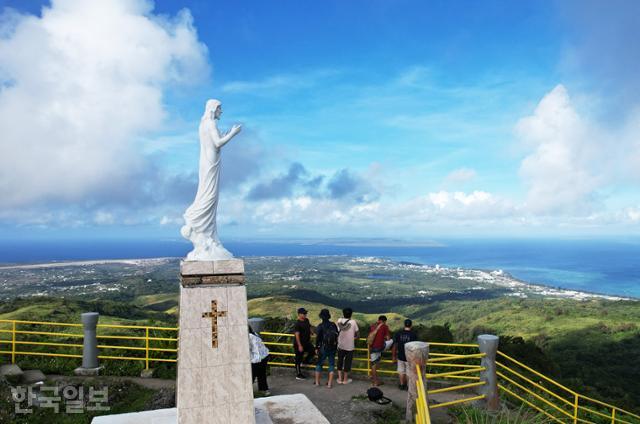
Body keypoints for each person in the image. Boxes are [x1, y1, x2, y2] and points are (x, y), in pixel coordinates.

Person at [314, 309, 339, 388]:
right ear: (328, 316)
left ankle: (317, 382)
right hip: (332, 347)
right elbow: (337, 335)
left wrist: (316, 347)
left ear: (321, 317)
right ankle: (329, 384)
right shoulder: (333, 325)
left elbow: (318, 338)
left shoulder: (320, 326)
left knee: (319, 364)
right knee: (331, 364)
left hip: (323, 348)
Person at [392, 319, 418, 390]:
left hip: (400, 356)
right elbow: (415, 347)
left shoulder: (398, 333)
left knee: (401, 371)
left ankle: (401, 384)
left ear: (404, 325)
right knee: (408, 372)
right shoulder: (413, 335)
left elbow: (395, 345)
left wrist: (393, 356)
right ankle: (407, 386)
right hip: (409, 357)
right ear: (411, 325)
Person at [336, 307, 359, 385]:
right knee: (347, 363)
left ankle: (339, 379)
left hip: (340, 345)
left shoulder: (339, 320)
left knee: (340, 361)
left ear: (343, 313)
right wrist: (353, 338)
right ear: (351, 314)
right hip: (350, 346)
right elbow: (358, 335)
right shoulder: (353, 322)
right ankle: (345, 380)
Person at [368, 315, 391, 387]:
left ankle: (373, 378)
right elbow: (388, 338)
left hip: (371, 347)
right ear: (384, 321)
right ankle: (375, 382)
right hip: (379, 347)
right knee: (393, 341)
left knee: (374, 363)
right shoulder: (385, 326)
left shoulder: (373, 325)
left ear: (378, 320)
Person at [293, 307, 315, 380]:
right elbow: (297, 335)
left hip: (306, 342)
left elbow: (309, 326)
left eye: (305, 313)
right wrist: (299, 345)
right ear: (299, 314)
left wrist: (311, 332)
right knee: (298, 358)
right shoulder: (297, 324)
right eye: (304, 313)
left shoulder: (306, 320)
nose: (305, 314)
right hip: (299, 344)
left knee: (313, 351)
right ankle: (298, 374)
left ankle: (305, 361)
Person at [249, 325, 270, 396]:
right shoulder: (254, 334)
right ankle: (264, 390)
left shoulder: (249, 337)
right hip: (264, 356)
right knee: (261, 374)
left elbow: (251, 349)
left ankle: (247, 392)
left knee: (251, 376)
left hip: (257, 358)